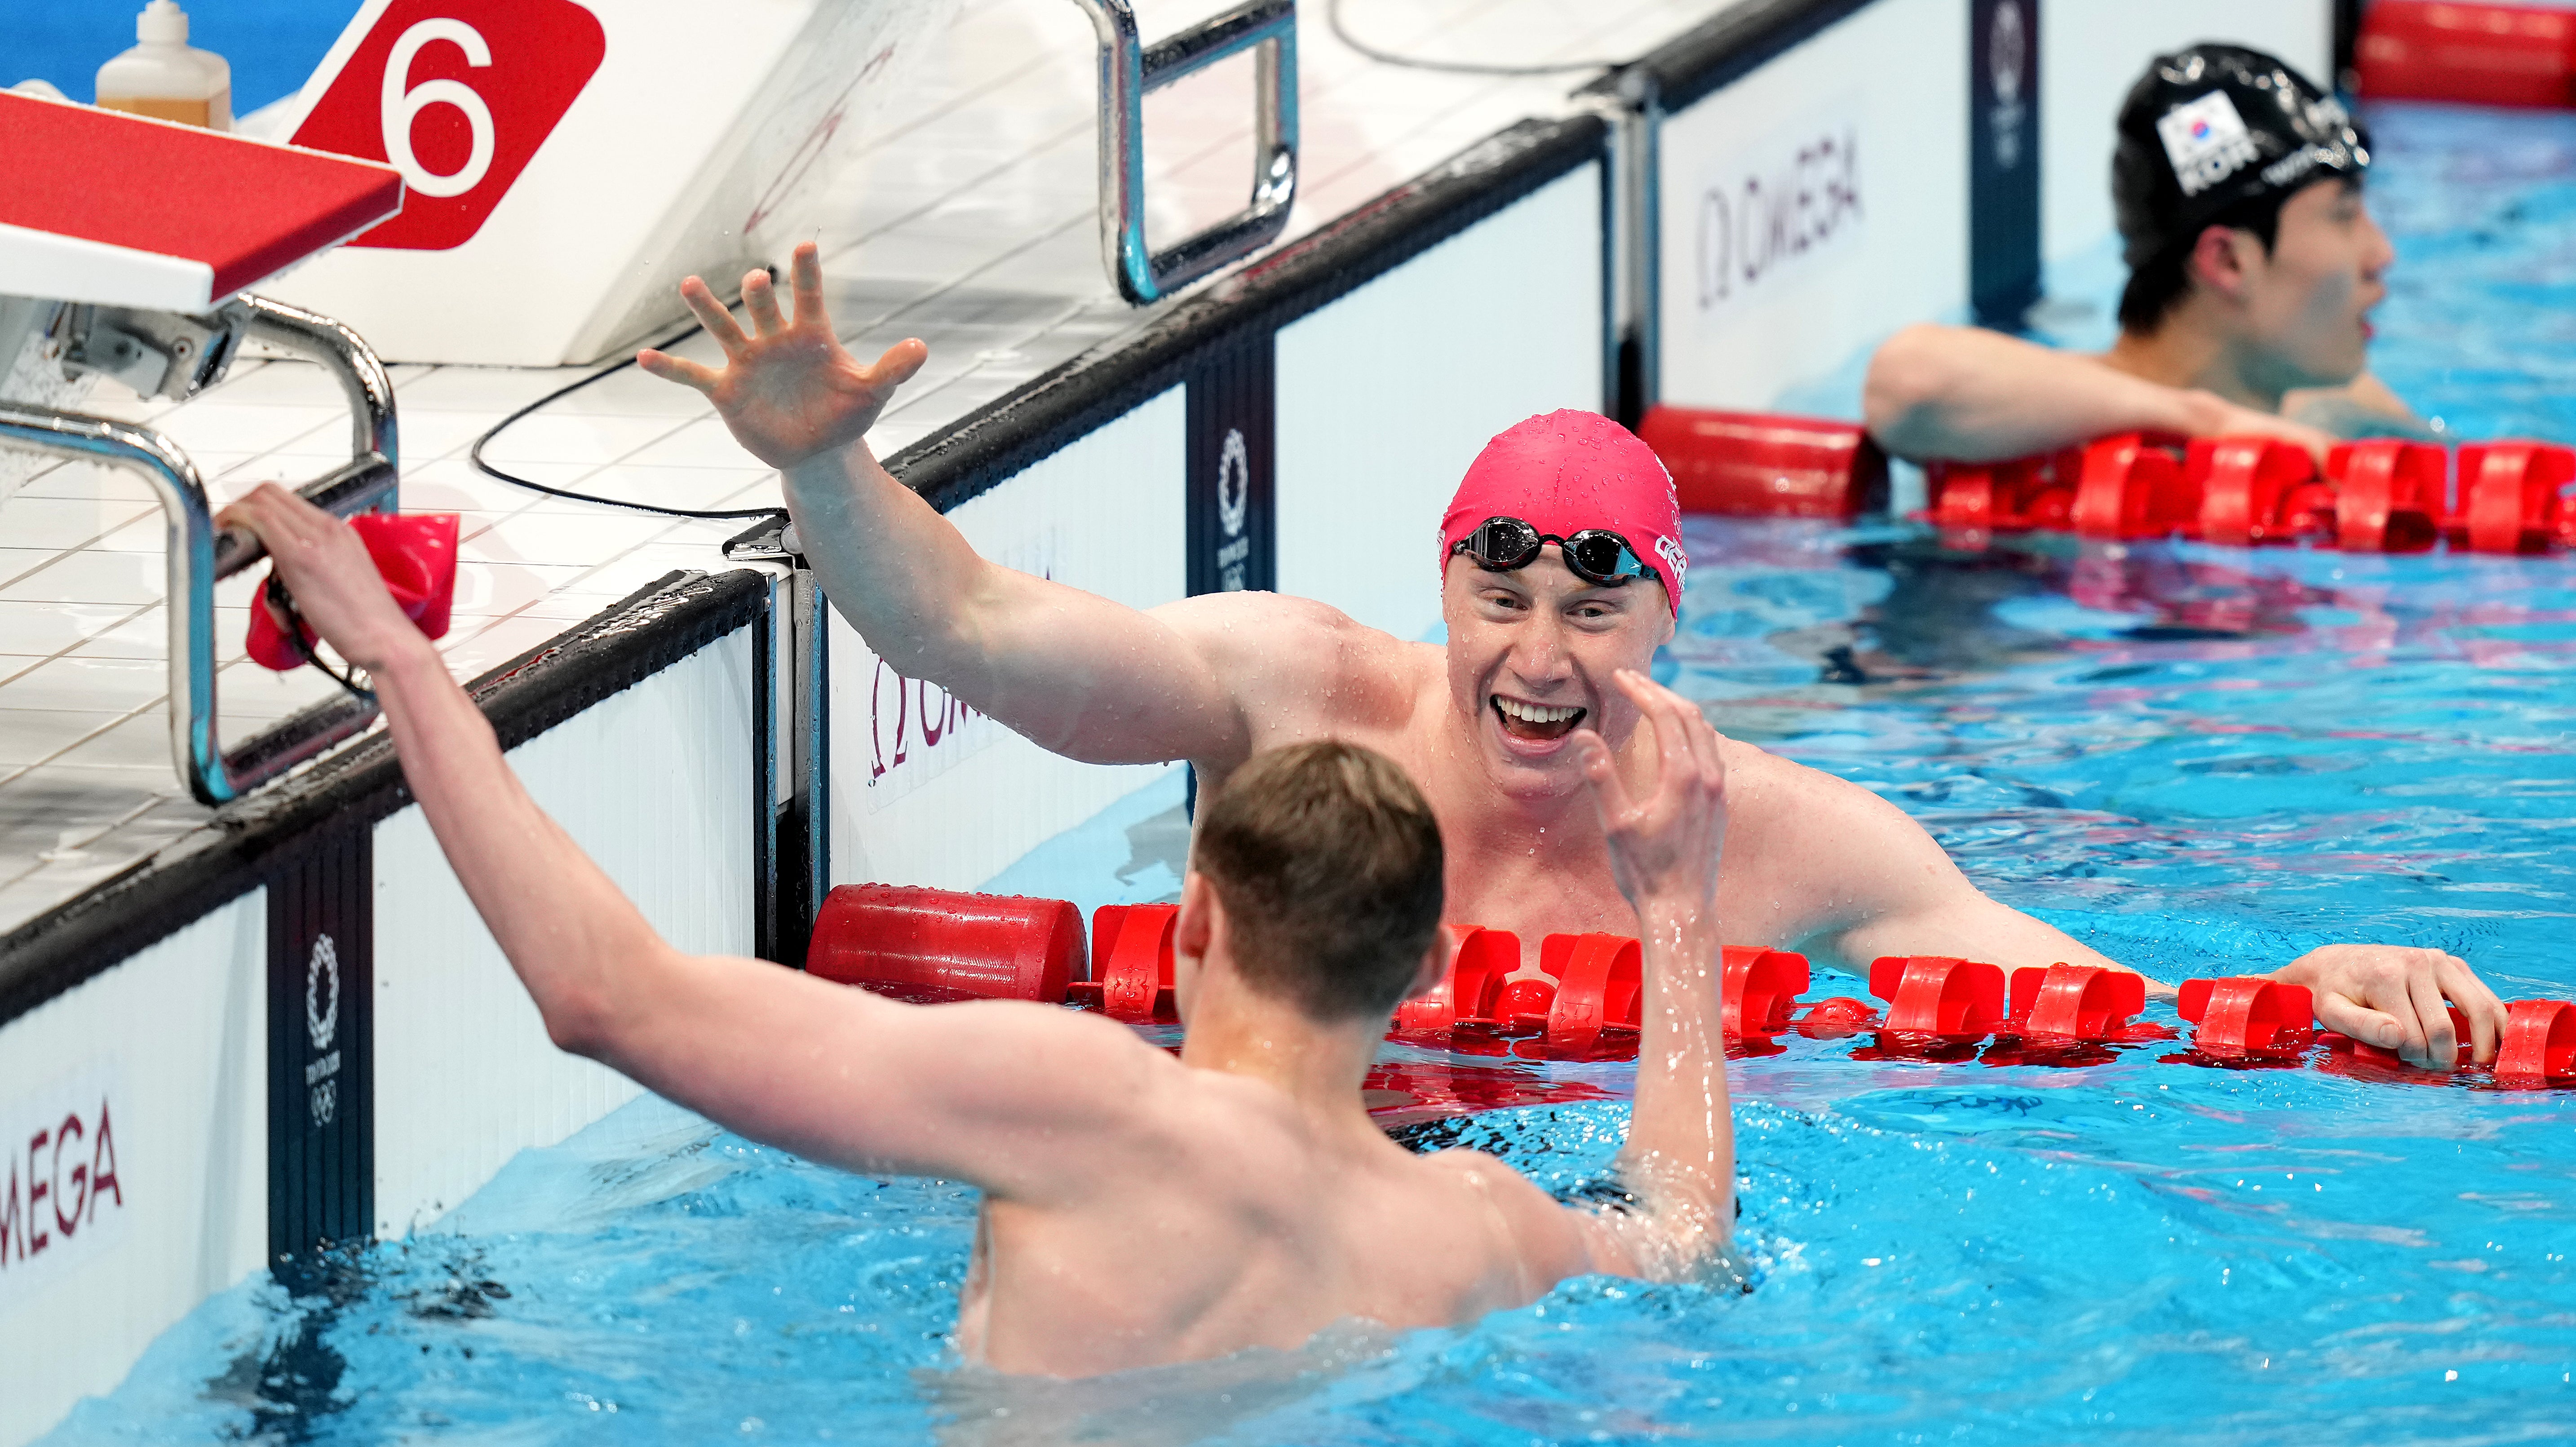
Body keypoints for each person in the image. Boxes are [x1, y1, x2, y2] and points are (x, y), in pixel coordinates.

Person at [634, 245, 2504, 1069]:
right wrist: (824, 462)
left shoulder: (1770, 833)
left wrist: (2289, 979)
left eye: (1593, 612)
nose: (1537, 659)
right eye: (1499, 600)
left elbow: (2082, 999)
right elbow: (965, 629)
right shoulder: (1293, 691)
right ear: (1439, 588)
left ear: (1670, 619)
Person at [230, 476, 1747, 1374]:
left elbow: (602, 995)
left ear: (1196, 911)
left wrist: (388, 652)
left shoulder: (1085, 1105)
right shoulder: (1471, 1224)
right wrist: (1673, 914)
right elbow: (1686, 1240)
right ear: (1427, 967)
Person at [1865, 43, 2420, 465]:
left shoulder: (2336, 406)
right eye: (2344, 216)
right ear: (2228, 262)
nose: (2381, 253)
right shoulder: (2042, 420)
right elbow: (1906, 382)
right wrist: (2203, 422)